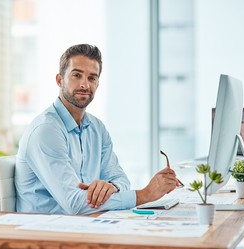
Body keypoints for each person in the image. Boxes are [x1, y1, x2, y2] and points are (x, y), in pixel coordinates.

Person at [15, 43, 179, 215]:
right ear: (59, 80)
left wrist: (111, 187)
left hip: (84, 224)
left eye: (92, 78)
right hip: (44, 233)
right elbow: (75, 203)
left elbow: (120, 179)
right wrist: (145, 195)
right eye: (76, 75)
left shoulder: (97, 128)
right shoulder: (46, 131)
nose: (84, 85)